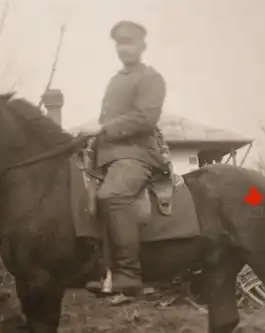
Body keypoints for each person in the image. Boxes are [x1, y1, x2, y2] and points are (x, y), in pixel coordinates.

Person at [81, 20, 169, 295]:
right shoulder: (116, 80)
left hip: (137, 154)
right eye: (120, 43)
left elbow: (145, 118)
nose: (124, 48)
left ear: (142, 46)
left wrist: (105, 128)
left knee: (113, 196)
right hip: (107, 156)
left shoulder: (151, 78)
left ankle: (129, 274)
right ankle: (104, 272)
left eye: (129, 42)